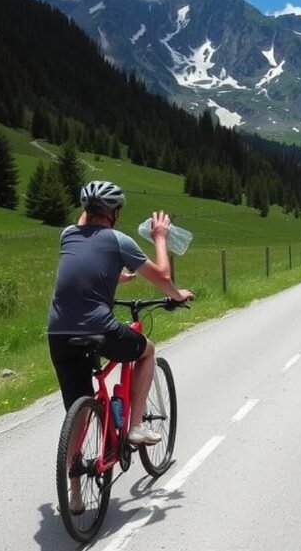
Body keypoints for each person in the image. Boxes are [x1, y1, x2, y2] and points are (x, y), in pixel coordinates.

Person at [47, 180, 194, 446]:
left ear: (85, 208)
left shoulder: (67, 234)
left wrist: (115, 274)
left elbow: (87, 253)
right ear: (114, 212)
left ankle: (74, 485)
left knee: (77, 414)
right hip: (98, 328)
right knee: (147, 350)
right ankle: (136, 426)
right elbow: (162, 276)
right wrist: (159, 237)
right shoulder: (118, 241)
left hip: (58, 334)